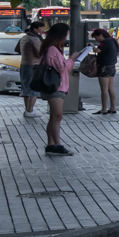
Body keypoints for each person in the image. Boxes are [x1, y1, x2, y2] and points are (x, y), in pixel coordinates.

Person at [38, 22, 75, 156]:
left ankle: (51, 144)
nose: (66, 38)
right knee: (57, 116)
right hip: (55, 87)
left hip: (56, 86)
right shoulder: (52, 49)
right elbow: (62, 68)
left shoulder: (51, 48)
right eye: (65, 35)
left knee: (54, 117)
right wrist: (72, 59)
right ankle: (57, 145)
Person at [18, 18, 47, 118]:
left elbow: (16, 49)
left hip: (24, 64)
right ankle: (30, 111)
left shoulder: (24, 37)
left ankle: (27, 110)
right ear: (35, 29)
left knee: (26, 89)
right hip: (34, 66)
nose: (43, 30)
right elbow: (40, 53)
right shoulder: (35, 39)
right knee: (34, 89)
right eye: (41, 28)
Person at [89, 26, 119, 115]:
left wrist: (92, 46)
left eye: (96, 37)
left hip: (104, 67)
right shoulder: (113, 41)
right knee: (110, 89)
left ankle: (104, 109)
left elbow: (97, 50)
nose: (97, 39)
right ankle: (113, 107)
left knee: (104, 89)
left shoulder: (105, 42)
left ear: (101, 35)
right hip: (112, 67)